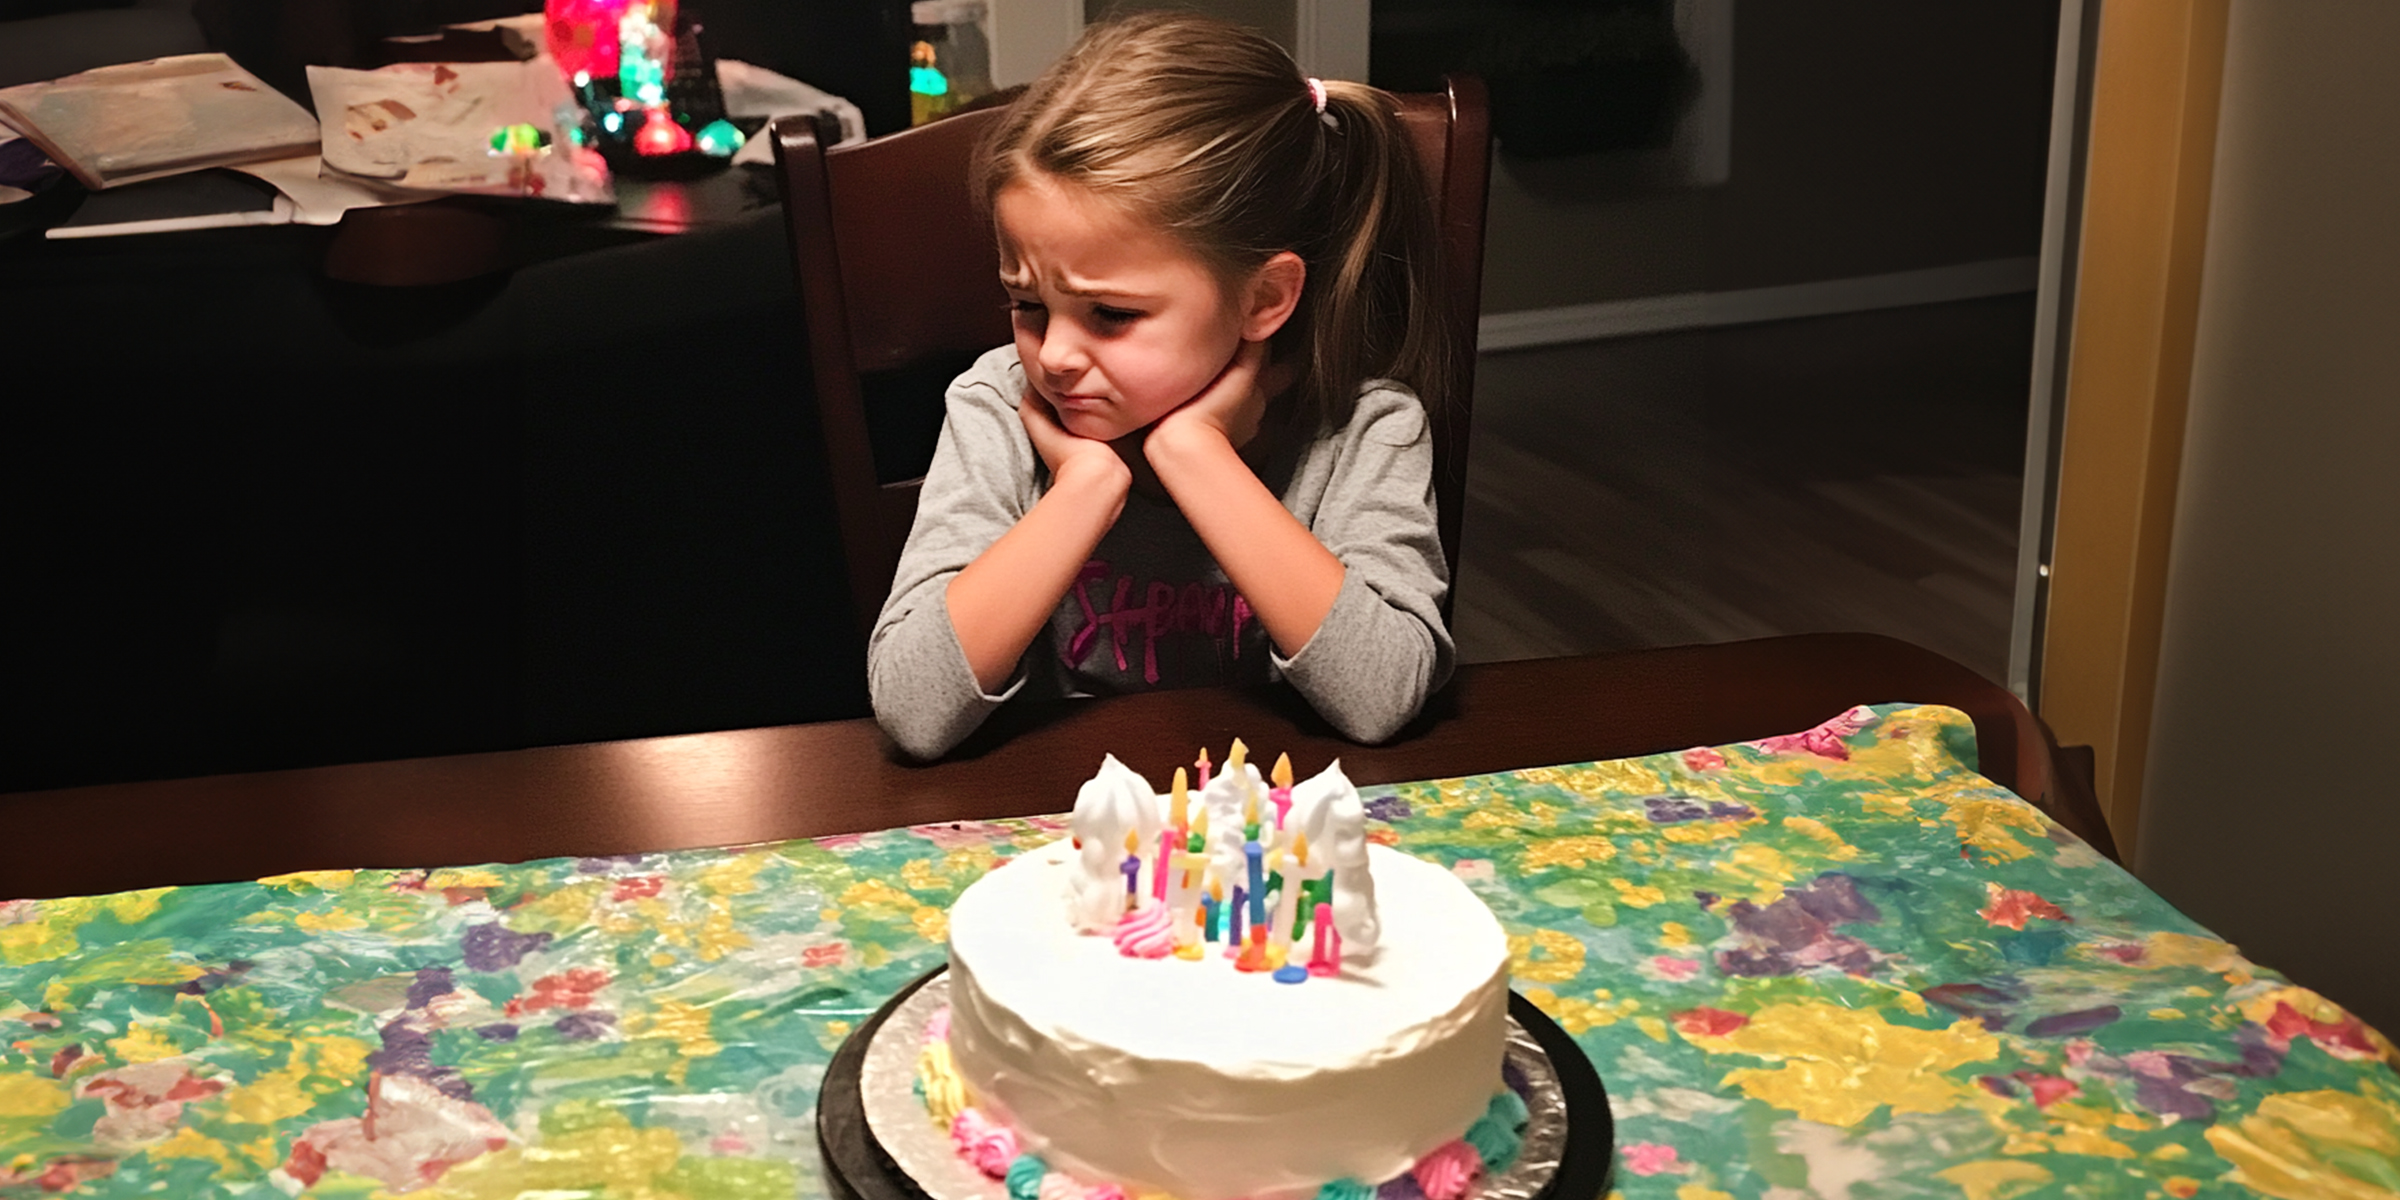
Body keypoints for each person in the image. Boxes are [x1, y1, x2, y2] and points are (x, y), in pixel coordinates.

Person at [869, 11, 1454, 759]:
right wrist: (1085, 485)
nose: (1053, 357)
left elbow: (1382, 696)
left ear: (1263, 300)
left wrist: (1196, 455)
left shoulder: (1364, 427)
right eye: (1028, 306)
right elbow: (913, 711)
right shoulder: (998, 406)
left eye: (1111, 315)